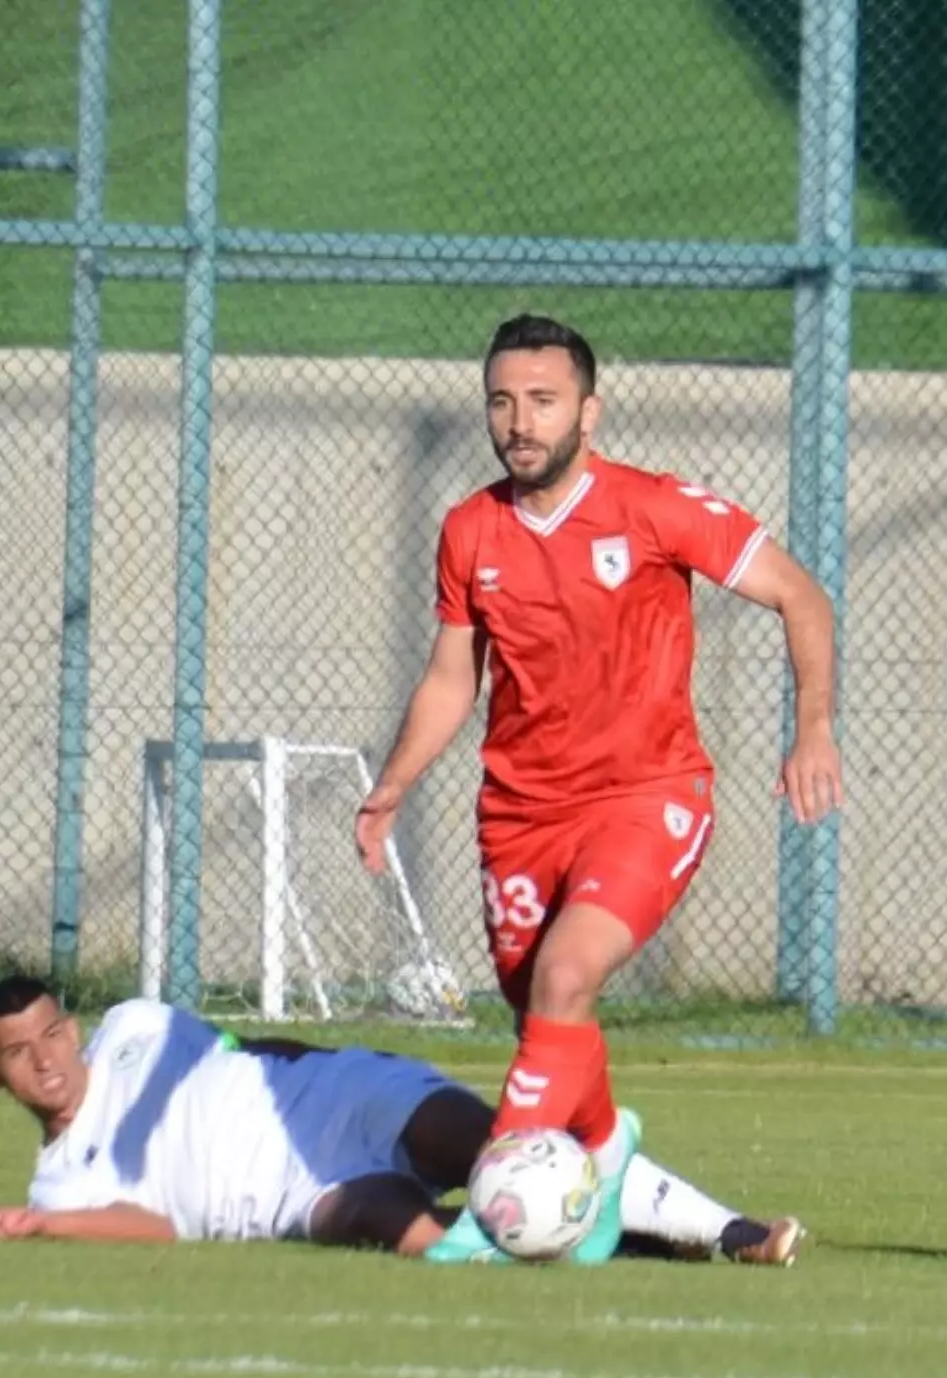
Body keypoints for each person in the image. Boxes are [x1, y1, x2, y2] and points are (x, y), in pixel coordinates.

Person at [354, 313, 842, 1265]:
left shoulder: (657, 509)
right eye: (502, 401)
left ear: (590, 409)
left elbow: (801, 594)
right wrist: (394, 786)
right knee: (544, 1011)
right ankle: (607, 1159)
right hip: (520, 813)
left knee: (566, 977)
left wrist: (813, 724)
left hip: (647, 795)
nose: (519, 421)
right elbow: (455, 676)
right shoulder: (470, 530)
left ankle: (491, 1223)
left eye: (542, 401)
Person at [0, 975, 803, 1267]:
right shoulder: (60, 1180)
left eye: (51, 1033)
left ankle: (732, 1231)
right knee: (449, 1240)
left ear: (71, 1026)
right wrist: (41, 1227)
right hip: (301, 1193)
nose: (45, 1058)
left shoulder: (135, 1024)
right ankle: (643, 1239)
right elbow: (147, 1224)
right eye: (17, 1053)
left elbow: (246, 1043)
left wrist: (333, 1063)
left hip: (340, 1097)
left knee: (510, 1154)